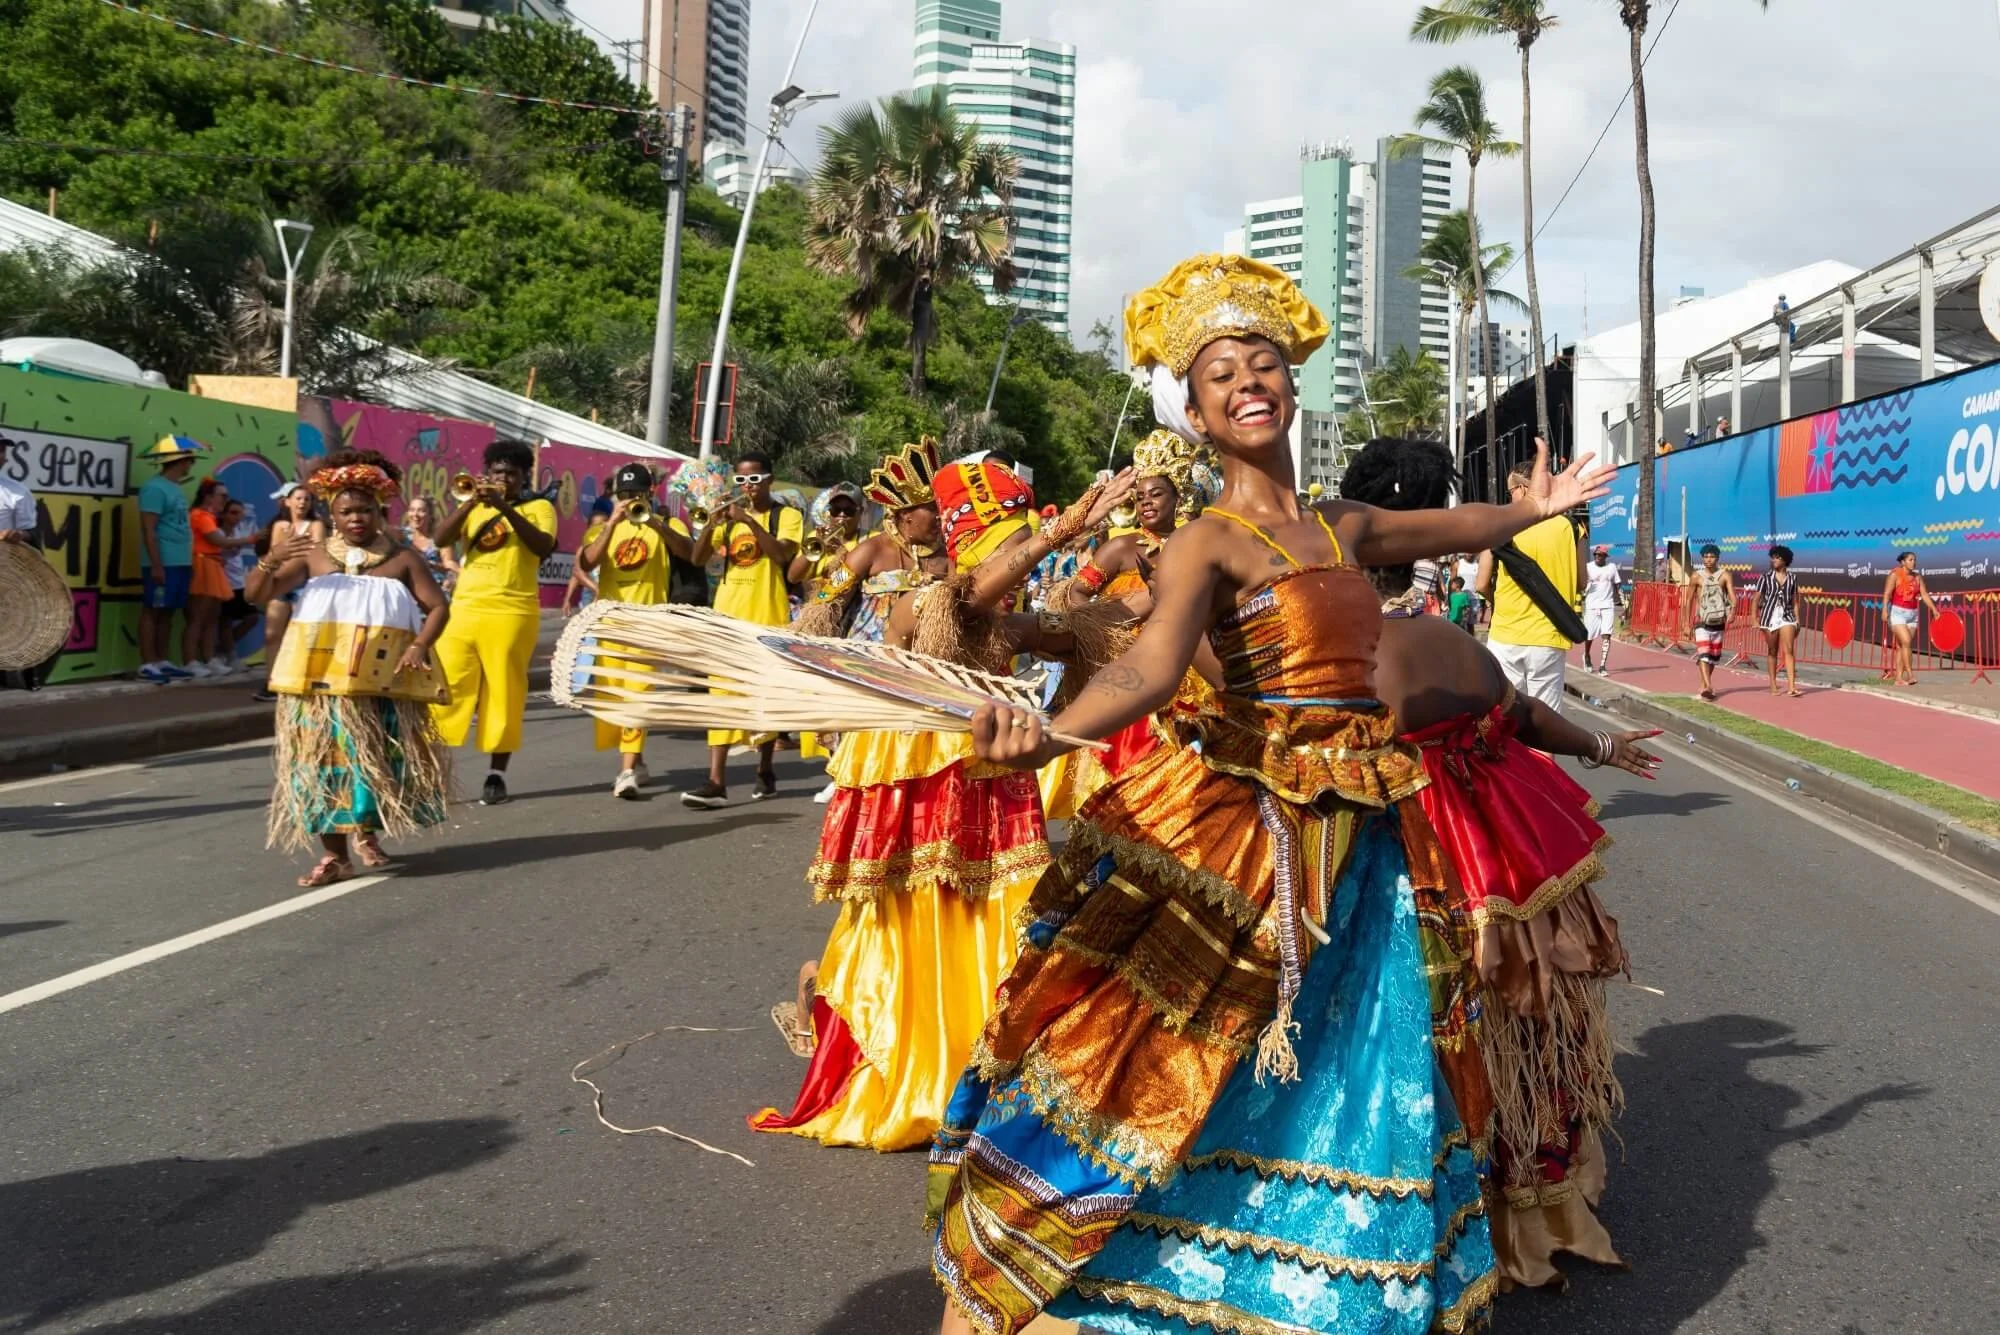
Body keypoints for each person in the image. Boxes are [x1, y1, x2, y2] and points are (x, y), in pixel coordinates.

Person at [927, 253, 1611, 1335]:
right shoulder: (1206, 541)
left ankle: (1332, 1286)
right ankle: (1141, 1257)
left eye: (1261, 364)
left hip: (1368, 836)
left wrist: (1535, 510)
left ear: (1291, 384)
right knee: (1197, 1042)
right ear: (1196, 414)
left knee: (1362, 1053)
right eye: (1219, 375)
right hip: (1254, 828)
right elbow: (1149, 669)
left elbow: (1458, 529)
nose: (1247, 382)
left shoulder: (1343, 525)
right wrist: (1046, 736)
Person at [1344, 435, 1661, 1291]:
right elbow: (1523, 717)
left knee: (1420, 1031)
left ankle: (1426, 1222)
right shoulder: (1453, 642)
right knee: (1521, 1028)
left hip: (1412, 860)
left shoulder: (1342, 655)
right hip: (1508, 852)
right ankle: (1532, 1202)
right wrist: (1604, 745)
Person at [752, 452, 1131, 1153]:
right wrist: (1061, 531)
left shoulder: (1009, 618)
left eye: (1025, 542)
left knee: (1007, 917)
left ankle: (987, 1070)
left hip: (992, 772)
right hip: (916, 777)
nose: (1023, 557)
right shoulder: (923, 603)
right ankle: (844, 1007)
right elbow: (964, 603)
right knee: (911, 927)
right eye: (1011, 544)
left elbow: (1092, 626)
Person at [248, 454, 450, 887]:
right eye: (346, 511)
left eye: (365, 510)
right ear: (333, 515)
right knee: (323, 766)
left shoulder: (403, 559)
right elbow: (256, 595)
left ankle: (366, 831)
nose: (356, 518)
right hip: (318, 687)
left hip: (381, 683)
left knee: (372, 766)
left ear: (380, 510)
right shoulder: (314, 556)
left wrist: (419, 644)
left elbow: (438, 607)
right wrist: (271, 559)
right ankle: (334, 856)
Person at [431, 438, 558, 806]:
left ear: (524, 476)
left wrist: (504, 507)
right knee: (445, 688)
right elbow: (440, 538)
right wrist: (471, 502)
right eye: (497, 472)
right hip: (464, 608)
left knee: (503, 692)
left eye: (511, 474)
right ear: (486, 473)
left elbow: (542, 547)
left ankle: (495, 776)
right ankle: (433, 774)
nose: (503, 478)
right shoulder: (473, 505)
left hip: (512, 611)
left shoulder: (539, 507)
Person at [680, 452, 803, 809]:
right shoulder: (727, 520)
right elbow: (697, 559)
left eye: (754, 479)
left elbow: (782, 556)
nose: (748, 487)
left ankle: (765, 767)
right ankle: (716, 782)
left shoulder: (786, 516)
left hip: (767, 614)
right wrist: (710, 524)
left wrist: (747, 520)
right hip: (727, 617)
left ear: (769, 480)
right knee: (720, 696)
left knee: (762, 696)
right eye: (741, 481)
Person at [578, 463, 694, 799]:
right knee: (613, 698)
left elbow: (688, 553)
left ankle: (626, 770)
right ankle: (637, 760)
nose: (629, 500)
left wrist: (655, 523)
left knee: (637, 695)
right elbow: (587, 562)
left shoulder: (668, 524)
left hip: (648, 624)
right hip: (611, 624)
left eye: (636, 494)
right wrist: (611, 524)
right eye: (623, 495)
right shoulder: (602, 528)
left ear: (650, 493)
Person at [1477, 450, 1584, 712]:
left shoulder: (1500, 525)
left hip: (1506, 635)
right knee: (1547, 718)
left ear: (1523, 489)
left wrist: (1496, 601)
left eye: (1510, 491)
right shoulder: (1572, 527)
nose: (1510, 498)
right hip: (1550, 636)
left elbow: (1481, 584)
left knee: (1501, 716)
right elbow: (1582, 582)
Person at [137, 436, 203, 684]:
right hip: (162, 560)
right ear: (180, 461)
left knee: (169, 611)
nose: (191, 464)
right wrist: (156, 564)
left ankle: (162, 660)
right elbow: (149, 529)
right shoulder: (154, 488)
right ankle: (147, 663)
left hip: (179, 561)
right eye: (190, 459)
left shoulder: (175, 488)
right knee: (153, 609)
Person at [255, 483, 330, 702]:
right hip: (280, 584)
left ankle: (301, 680)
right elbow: (275, 554)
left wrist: (291, 547)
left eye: (306, 499)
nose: (302, 503)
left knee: (303, 635)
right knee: (272, 634)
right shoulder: (280, 525)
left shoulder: (316, 524)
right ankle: (271, 682)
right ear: (287, 502)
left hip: (305, 585)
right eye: (298, 498)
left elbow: (315, 551)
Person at [185, 478, 256, 677]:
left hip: (214, 564)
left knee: (212, 618)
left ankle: (209, 659)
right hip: (202, 564)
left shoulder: (209, 517)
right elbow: (220, 541)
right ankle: (190, 660)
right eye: (222, 496)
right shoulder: (199, 515)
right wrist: (251, 539)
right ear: (208, 496)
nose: (225, 499)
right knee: (197, 617)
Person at [217, 498, 264, 674]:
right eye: (233, 513)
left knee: (252, 617)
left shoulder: (238, 530)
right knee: (225, 620)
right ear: (223, 514)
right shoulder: (217, 532)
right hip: (223, 582)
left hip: (239, 582)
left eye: (240, 514)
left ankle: (222, 649)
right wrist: (251, 539)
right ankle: (230, 655)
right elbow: (224, 545)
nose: (237, 517)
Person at [1881, 550, 1939, 687]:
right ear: (1903, 562)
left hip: (1912, 614)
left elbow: (1924, 594)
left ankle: (1898, 679)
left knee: (1902, 647)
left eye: (1914, 559)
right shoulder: (1894, 575)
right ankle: (1911, 674)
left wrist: (1934, 609)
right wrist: (1884, 610)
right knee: (1906, 642)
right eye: (1910, 560)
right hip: (1897, 613)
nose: (1914, 562)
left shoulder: (1917, 577)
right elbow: (1887, 593)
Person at [1686, 543, 1733, 701]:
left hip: (1719, 621)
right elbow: (1688, 600)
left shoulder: (1725, 575)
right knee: (1704, 654)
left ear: (1717, 558)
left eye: (1712, 556)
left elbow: (1732, 596)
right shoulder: (1696, 576)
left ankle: (1703, 685)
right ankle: (1709, 686)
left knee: (1713, 657)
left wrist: (1733, 611)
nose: (1708, 560)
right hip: (1702, 621)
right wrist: (1686, 624)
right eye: (1705, 557)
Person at [1757, 544, 1802, 697]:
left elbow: (1795, 601)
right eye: (1773, 558)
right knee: (1772, 650)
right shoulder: (1765, 577)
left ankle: (1792, 686)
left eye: (1777, 558)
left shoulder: (1793, 578)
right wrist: (1754, 618)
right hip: (1769, 616)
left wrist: (1797, 620)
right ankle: (1773, 683)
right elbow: (1756, 599)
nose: (1774, 560)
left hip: (1787, 616)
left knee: (1789, 649)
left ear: (1785, 560)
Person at [563, 495, 613, 617]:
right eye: (598, 525)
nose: (602, 527)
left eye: (605, 523)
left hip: (608, 596)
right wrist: (567, 599)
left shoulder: (611, 547)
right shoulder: (583, 550)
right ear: (589, 528)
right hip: (590, 596)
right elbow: (577, 574)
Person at [401, 495, 458, 597]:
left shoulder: (439, 538)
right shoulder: (401, 536)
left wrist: (431, 565)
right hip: (407, 588)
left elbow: (449, 564)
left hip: (435, 588)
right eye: (412, 510)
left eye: (421, 511)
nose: (415, 515)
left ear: (430, 515)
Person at [1582, 542, 1622, 674]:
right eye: (1596, 554)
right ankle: (1587, 656)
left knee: (1606, 635)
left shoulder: (1611, 567)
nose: (1598, 557)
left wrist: (1624, 604)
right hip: (1592, 605)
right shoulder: (1588, 567)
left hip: (1607, 605)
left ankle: (1602, 666)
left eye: (1601, 555)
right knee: (1589, 635)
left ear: (1605, 556)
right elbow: (1581, 584)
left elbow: (1618, 585)